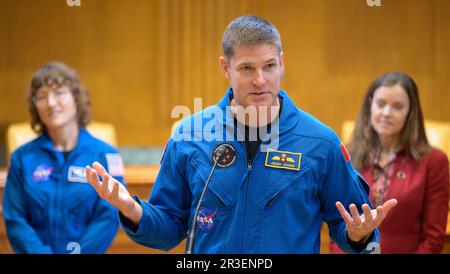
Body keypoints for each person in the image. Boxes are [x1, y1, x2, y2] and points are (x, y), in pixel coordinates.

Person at [85, 15, 397, 254]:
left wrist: (360, 234)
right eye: (247, 68)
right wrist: (132, 209)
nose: (260, 80)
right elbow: (170, 227)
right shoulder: (189, 135)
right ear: (226, 67)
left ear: (282, 63)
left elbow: (352, 227)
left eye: (269, 66)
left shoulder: (321, 143)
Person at [2, 62, 125, 254]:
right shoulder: (21, 158)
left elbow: (108, 216)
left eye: (59, 92)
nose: (51, 103)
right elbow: (15, 218)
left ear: (76, 99)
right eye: (42, 96)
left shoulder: (105, 155)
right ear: (36, 107)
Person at [330, 72, 449, 254]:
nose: (386, 113)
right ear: (370, 105)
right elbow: (337, 228)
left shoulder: (434, 162)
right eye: (380, 104)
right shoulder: (348, 156)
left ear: (411, 112)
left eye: (397, 107)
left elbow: (433, 240)